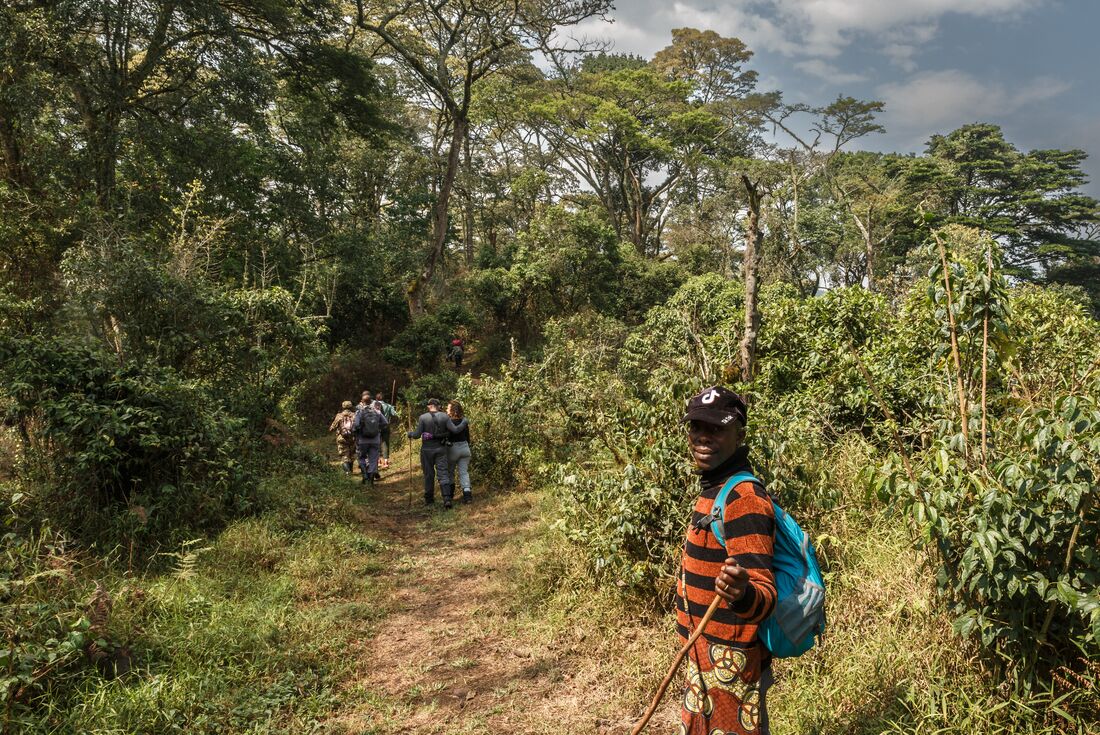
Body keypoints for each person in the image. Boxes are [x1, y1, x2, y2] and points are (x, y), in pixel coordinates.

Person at [676, 386, 776, 735]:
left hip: (732, 667)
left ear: (740, 435)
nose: (703, 437)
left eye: (716, 428)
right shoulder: (715, 489)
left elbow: (765, 595)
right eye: (696, 427)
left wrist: (742, 593)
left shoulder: (743, 498)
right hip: (705, 658)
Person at [407, 398, 453, 507]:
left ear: (429, 406)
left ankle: (429, 499)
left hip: (427, 450)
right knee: (443, 473)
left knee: (429, 474)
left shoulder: (423, 417)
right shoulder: (445, 416)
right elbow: (451, 432)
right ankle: (447, 498)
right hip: (441, 449)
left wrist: (410, 434)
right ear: (438, 406)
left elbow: (417, 435)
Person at [353, 397, 388, 486]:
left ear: (362, 402)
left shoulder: (360, 412)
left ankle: (365, 476)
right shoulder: (377, 411)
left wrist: (358, 431)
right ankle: (371, 480)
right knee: (373, 459)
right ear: (371, 401)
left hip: (362, 440)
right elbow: (385, 422)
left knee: (361, 457)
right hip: (375, 440)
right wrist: (377, 428)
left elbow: (356, 425)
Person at [444, 400, 473, 504]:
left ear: (452, 410)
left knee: (450, 472)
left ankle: (450, 495)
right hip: (465, 448)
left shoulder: (448, 422)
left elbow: (446, 437)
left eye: (448, 408)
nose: (446, 409)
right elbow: (468, 438)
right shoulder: (464, 421)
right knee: (464, 473)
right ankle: (467, 495)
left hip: (453, 448)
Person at [327, 400, 357, 475]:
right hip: (352, 438)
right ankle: (351, 471)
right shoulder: (355, 415)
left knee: (344, 455)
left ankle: (347, 472)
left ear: (343, 407)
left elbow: (332, 428)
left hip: (342, 438)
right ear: (351, 407)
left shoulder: (339, 416)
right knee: (351, 455)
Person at [373, 391, 399, 469]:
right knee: (385, 443)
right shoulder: (388, 406)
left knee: (376, 443)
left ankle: (378, 461)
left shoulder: (373, 405)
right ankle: (386, 461)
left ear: (376, 399)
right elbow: (395, 414)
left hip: (376, 427)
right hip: (386, 426)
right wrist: (392, 408)